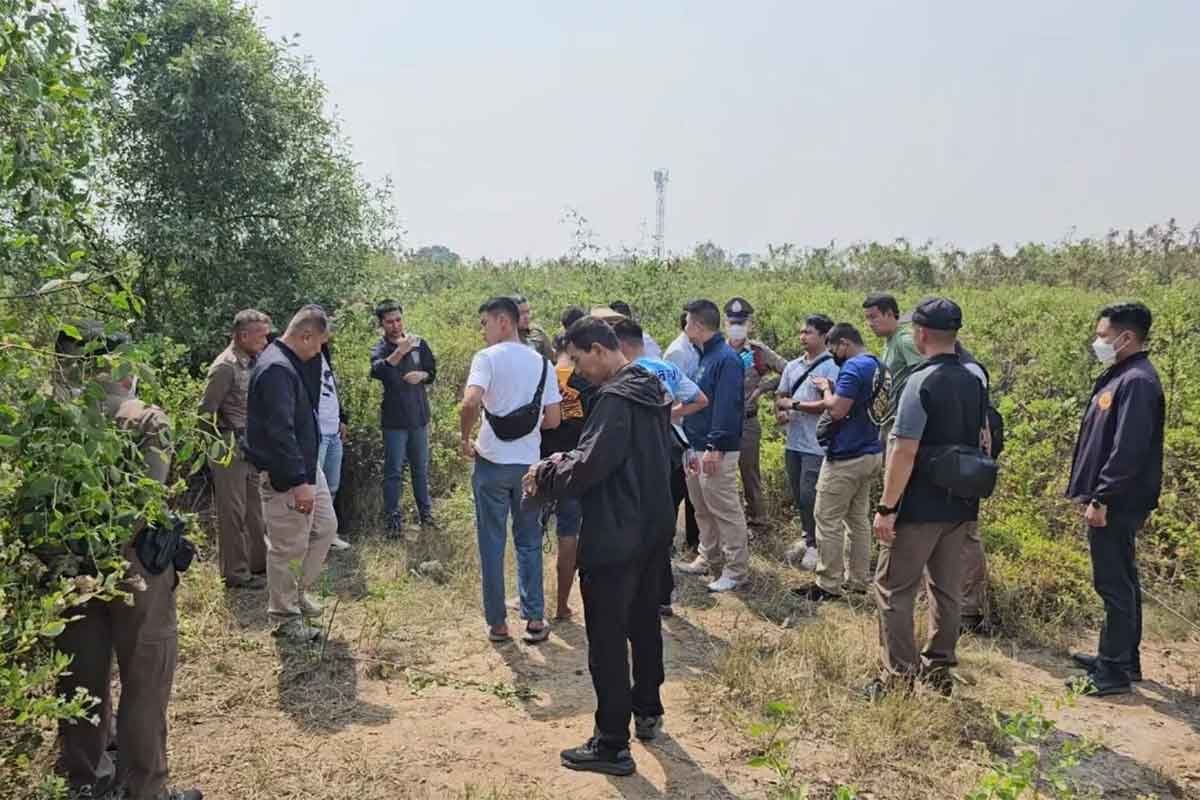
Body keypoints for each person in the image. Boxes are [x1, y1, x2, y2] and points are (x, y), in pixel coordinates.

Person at [51, 324, 200, 800]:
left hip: (68, 565)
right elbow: (146, 503)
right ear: (119, 365)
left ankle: (85, 782)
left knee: (79, 676)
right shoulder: (144, 419)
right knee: (145, 677)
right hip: (134, 567)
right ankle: (144, 788)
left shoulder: (48, 418)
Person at [524, 317, 674, 777]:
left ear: (598, 350)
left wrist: (545, 474)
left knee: (607, 638)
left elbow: (590, 466)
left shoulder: (616, 399)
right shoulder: (650, 387)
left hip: (616, 531)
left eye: (578, 360)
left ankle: (611, 744)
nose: (578, 371)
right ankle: (647, 709)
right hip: (652, 526)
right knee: (644, 623)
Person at [866, 298, 989, 699]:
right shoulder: (974, 379)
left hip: (918, 506)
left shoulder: (920, 382)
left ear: (920, 334)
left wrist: (887, 507)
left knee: (893, 589)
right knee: (946, 590)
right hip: (960, 504)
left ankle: (897, 679)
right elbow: (984, 440)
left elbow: (904, 450)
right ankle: (939, 670)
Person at [1065, 302, 1164, 696]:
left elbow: (1128, 449)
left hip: (1118, 499)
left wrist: (1103, 496)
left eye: (1103, 336)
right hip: (1115, 496)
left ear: (1126, 337)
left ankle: (1112, 672)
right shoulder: (1122, 375)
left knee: (1113, 583)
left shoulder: (1137, 381)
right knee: (1122, 578)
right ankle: (1123, 658)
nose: (1098, 342)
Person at [460, 296, 562, 643]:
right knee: (529, 541)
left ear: (503, 321)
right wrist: (527, 426)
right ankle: (534, 618)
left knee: (491, 543)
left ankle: (498, 624)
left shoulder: (486, 358)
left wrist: (464, 437)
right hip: (528, 468)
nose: (483, 331)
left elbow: (470, 401)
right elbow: (554, 419)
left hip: (490, 464)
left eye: (485, 323)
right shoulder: (543, 363)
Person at [245, 306, 338, 642]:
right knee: (288, 547)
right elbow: (280, 432)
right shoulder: (276, 369)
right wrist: (299, 482)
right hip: (287, 474)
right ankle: (284, 616)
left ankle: (297, 594)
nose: (319, 352)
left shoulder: (291, 361)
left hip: (306, 466)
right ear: (306, 335)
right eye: (319, 344)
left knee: (325, 527)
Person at [613, 319, 708, 616]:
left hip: (640, 454)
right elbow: (700, 399)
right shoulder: (666, 367)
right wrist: (668, 416)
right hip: (670, 449)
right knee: (661, 521)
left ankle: (640, 592)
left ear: (621, 345)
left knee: (638, 522)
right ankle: (662, 594)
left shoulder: (628, 373)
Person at [793, 323, 883, 602]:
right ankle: (857, 581)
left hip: (847, 456)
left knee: (827, 518)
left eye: (834, 349)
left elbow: (837, 410)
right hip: (871, 451)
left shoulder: (854, 367)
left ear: (844, 343)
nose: (833, 356)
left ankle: (827, 583)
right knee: (857, 520)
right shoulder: (879, 366)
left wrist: (826, 390)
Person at [674, 299, 751, 592]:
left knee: (725, 509)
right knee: (702, 508)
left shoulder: (725, 359)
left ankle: (736, 570)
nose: (685, 327)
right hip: (695, 443)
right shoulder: (705, 356)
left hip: (714, 448)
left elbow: (727, 407)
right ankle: (708, 557)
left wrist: (715, 446)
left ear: (697, 325)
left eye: (687, 322)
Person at [199, 309, 271, 589]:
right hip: (229, 446)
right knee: (233, 512)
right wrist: (220, 449)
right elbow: (205, 413)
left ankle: (258, 564)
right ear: (243, 336)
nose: (265, 341)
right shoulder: (225, 366)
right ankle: (236, 573)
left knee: (255, 510)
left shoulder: (253, 361)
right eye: (261, 336)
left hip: (250, 445)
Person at [539, 330, 597, 620]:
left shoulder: (542, 376)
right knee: (568, 533)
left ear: (555, 350)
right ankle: (562, 604)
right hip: (574, 467)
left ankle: (530, 600)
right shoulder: (588, 381)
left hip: (540, 466)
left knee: (530, 536)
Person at [775, 314, 840, 572]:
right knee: (799, 494)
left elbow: (830, 405)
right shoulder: (793, 366)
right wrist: (780, 412)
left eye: (808, 332)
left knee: (810, 494)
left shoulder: (832, 367)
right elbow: (781, 395)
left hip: (817, 444)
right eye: (801, 332)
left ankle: (816, 546)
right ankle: (807, 537)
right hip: (794, 441)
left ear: (824, 336)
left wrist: (794, 405)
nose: (803, 337)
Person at [369, 300, 437, 536]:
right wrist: (400, 351)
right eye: (390, 322)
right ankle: (393, 521)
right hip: (394, 421)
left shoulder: (419, 343)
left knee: (420, 469)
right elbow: (378, 371)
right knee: (394, 472)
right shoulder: (381, 348)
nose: (396, 325)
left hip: (419, 417)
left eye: (398, 319)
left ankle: (426, 515)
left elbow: (432, 371)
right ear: (381, 324)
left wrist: (422, 375)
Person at [723, 297, 787, 532]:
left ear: (749, 324)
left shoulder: (758, 352)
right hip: (720, 421)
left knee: (749, 473)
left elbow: (789, 370)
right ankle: (729, 522)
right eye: (732, 322)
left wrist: (762, 388)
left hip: (747, 422)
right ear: (725, 323)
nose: (736, 326)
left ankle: (758, 521)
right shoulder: (716, 349)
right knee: (721, 475)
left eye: (741, 322)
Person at [662, 311, 702, 550]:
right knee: (675, 490)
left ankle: (693, 541)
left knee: (690, 491)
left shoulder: (694, 348)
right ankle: (666, 543)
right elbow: (671, 393)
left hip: (691, 427)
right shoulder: (678, 351)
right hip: (679, 429)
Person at [863, 293, 922, 441]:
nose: (870, 323)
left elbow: (925, 377)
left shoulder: (904, 341)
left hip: (902, 422)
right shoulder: (890, 341)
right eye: (867, 318)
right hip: (890, 420)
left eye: (873, 317)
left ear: (889, 314)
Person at [317, 339, 351, 551]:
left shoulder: (324, 355)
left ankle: (328, 534)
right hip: (317, 433)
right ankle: (312, 536)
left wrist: (342, 418)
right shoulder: (299, 358)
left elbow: (331, 391)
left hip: (334, 430)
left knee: (331, 487)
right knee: (315, 488)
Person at [514, 293, 554, 361]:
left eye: (528, 312)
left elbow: (551, 358)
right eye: (521, 313)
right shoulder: (505, 337)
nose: (526, 317)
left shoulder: (537, 333)